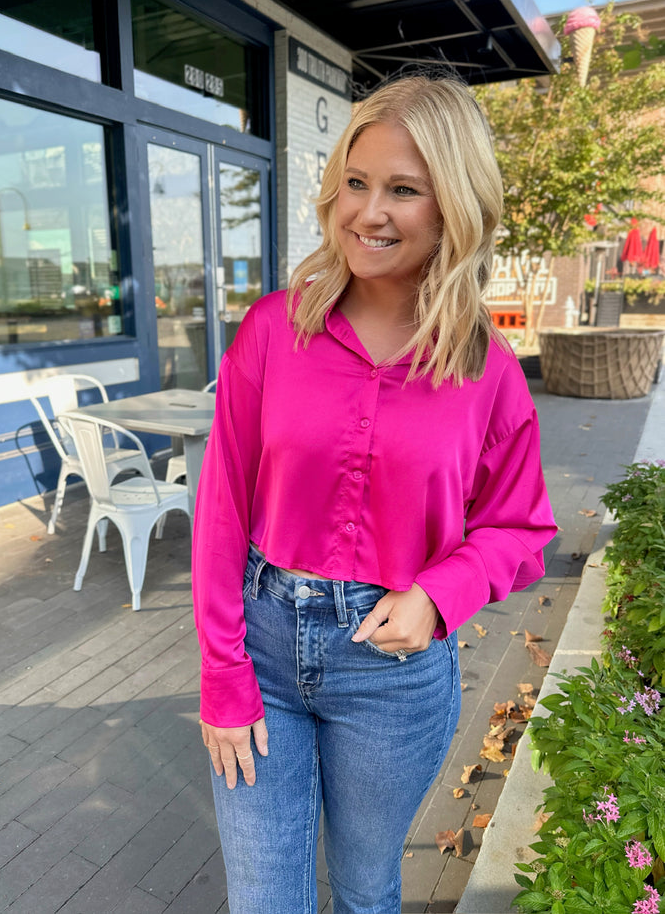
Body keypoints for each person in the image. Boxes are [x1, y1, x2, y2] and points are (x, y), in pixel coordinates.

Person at [191, 72, 557, 914]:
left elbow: (522, 525)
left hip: (392, 674)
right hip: (263, 646)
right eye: (356, 183)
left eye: (403, 190)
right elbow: (221, 513)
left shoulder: (486, 370)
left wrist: (439, 594)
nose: (368, 212)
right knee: (264, 898)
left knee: (364, 890)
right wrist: (222, 674)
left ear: (453, 207)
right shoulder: (274, 331)